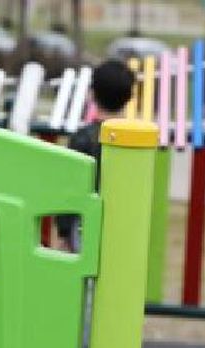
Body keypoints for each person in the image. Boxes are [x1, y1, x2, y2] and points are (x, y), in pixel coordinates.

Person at [54, 58, 136, 252]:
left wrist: (64, 231)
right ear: (130, 96)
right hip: (123, 223)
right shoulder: (133, 140)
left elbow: (70, 187)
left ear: (92, 94)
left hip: (84, 223)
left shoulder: (82, 139)